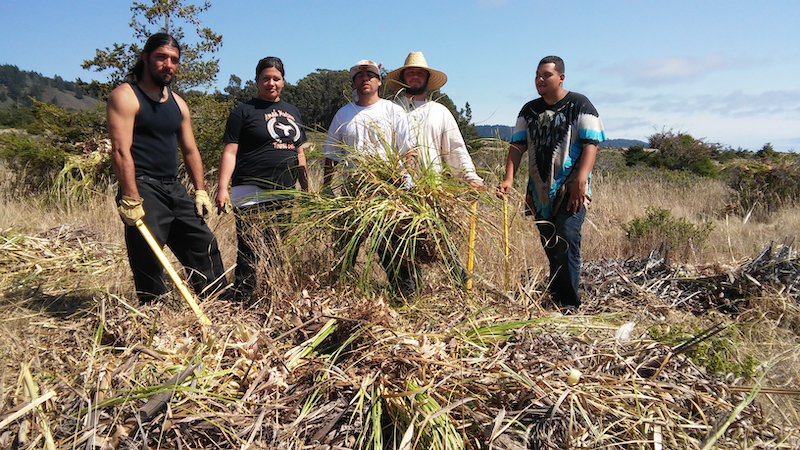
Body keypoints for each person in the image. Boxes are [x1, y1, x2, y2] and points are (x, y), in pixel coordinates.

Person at [107, 32, 229, 303]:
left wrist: (200, 191)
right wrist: (130, 197)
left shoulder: (178, 103)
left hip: (173, 186)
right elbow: (120, 151)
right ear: (146, 58)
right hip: (142, 187)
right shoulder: (126, 97)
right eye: (161, 57)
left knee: (203, 243)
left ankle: (220, 302)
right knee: (149, 256)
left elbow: (190, 150)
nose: (168, 65)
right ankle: (154, 314)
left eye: (174, 60)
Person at [496, 56, 605, 312]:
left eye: (546, 75)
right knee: (550, 244)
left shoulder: (580, 104)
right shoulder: (528, 110)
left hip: (571, 191)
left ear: (561, 77)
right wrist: (509, 178)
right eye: (537, 75)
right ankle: (556, 294)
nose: (540, 80)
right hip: (539, 190)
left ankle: (569, 304)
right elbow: (517, 145)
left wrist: (581, 179)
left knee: (567, 239)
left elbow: (592, 142)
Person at [215, 57, 308, 300]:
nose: (271, 83)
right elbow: (230, 151)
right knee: (249, 246)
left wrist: (306, 188)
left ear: (283, 82)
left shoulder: (292, 111)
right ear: (257, 81)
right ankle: (244, 295)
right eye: (266, 78)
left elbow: (300, 153)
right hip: (250, 187)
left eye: (276, 79)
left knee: (278, 244)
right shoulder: (243, 111)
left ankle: (272, 294)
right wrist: (222, 188)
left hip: (285, 189)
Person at [322, 59, 417, 295]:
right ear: (354, 82)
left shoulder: (392, 110)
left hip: (388, 189)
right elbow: (331, 154)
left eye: (370, 75)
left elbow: (409, 150)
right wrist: (326, 187)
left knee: (391, 246)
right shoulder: (343, 114)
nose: (365, 79)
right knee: (347, 246)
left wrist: (409, 178)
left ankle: (404, 294)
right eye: (359, 76)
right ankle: (340, 291)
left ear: (379, 81)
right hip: (353, 190)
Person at [386, 51, 483, 188]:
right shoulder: (389, 110)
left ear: (427, 78)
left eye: (420, 73)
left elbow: (456, 149)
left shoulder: (440, 112)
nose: (415, 76)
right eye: (410, 72)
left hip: (432, 190)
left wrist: (470, 177)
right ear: (402, 78)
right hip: (394, 189)